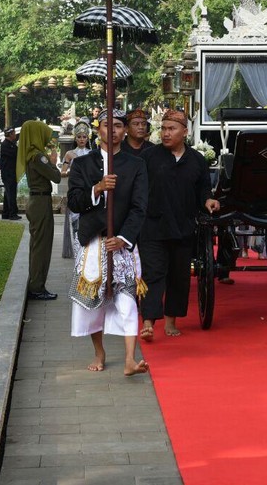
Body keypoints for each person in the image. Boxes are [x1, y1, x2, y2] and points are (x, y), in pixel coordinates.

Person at [67, 110, 149, 376]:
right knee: (94, 300)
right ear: (97, 130)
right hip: (94, 241)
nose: (112, 130)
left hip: (121, 243)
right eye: (106, 125)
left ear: (124, 131)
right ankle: (99, 352)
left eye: (117, 125)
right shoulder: (82, 165)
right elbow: (74, 202)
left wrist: (124, 238)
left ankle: (129, 359)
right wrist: (98, 188)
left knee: (126, 299)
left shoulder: (135, 165)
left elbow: (139, 206)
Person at [139, 110, 220, 339]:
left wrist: (208, 200)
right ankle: (148, 322)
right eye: (163, 129)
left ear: (185, 132)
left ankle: (171, 321)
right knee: (153, 274)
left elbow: (204, 189)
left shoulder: (196, 160)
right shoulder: (149, 157)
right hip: (153, 227)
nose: (166, 133)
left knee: (178, 276)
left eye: (171, 129)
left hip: (183, 227)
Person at [18, 121, 61, 301]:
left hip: (38, 200)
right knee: (41, 247)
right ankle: (37, 287)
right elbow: (57, 177)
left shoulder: (33, 155)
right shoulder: (38, 157)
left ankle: (36, 284)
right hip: (40, 202)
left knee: (38, 245)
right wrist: (53, 161)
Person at [61, 121, 91, 258]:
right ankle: (77, 249)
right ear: (75, 138)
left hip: (89, 191)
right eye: (79, 137)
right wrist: (72, 172)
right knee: (75, 221)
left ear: (88, 138)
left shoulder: (92, 154)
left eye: (84, 137)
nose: (82, 139)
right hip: (75, 189)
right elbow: (63, 171)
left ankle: (87, 250)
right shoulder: (69, 154)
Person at [0, 127, 20, 220]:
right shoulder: (5, 145)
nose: (15, 135)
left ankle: (6, 213)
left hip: (12, 172)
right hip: (8, 173)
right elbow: (15, 154)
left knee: (8, 193)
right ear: (10, 134)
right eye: (14, 133)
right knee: (10, 193)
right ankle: (12, 214)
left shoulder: (12, 144)